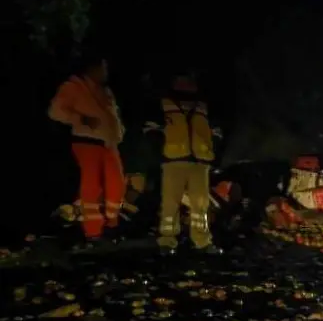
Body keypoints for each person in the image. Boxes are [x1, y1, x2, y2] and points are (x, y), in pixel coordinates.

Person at [47, 54, 126, 246]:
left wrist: (119, 133)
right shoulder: (73, 87)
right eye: (103, 68)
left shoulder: (105, 91)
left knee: (117, 185)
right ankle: (93, 231)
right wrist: (80, 119)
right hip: (86, 142)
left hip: (108, 144)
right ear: (92, 69)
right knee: (91, 188)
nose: (106, 72)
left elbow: (112, 116)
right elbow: (55, 111)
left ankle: (111, 224)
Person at [144, 73, 222, 254]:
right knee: (170, 203)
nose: (188, 85)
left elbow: (217, 133)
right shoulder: (163, 105)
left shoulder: (203, 106)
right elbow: (151, 132)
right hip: (173, 160)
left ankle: (202, 241)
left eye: (190, 81)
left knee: (200, 205)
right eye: (184, 81)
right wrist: (160, 153)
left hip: (200, 162)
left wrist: (212, 152)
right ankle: (167, 241)